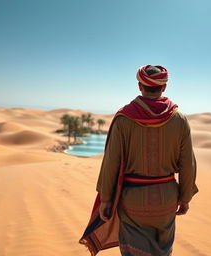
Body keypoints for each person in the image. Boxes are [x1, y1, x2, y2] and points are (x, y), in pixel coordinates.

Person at [79, 65, 198, 256]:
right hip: (166, 198)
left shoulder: (124, 118)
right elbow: (187, 164)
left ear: (139, 85)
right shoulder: (180, 119)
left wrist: (106, 200)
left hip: (133, 200)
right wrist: (184, 197)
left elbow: (111, 162)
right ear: (164, 87)